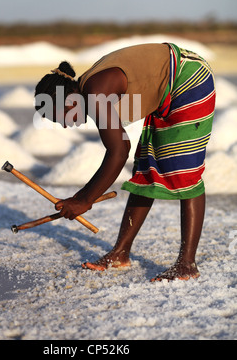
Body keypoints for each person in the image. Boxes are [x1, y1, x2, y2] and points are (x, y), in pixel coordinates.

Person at [34, 42, 216, 281]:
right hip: (166, 90)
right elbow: (122, 146)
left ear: (67, 98)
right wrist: (82, 198)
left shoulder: (94, 91)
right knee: (146, 168)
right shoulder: (91, 91)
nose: (65, 124)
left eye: (59, 116)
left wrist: (83, 200)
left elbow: (119, 151)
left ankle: (187, 265)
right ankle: (120, 253)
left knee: (184, 172)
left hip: (188, 80)